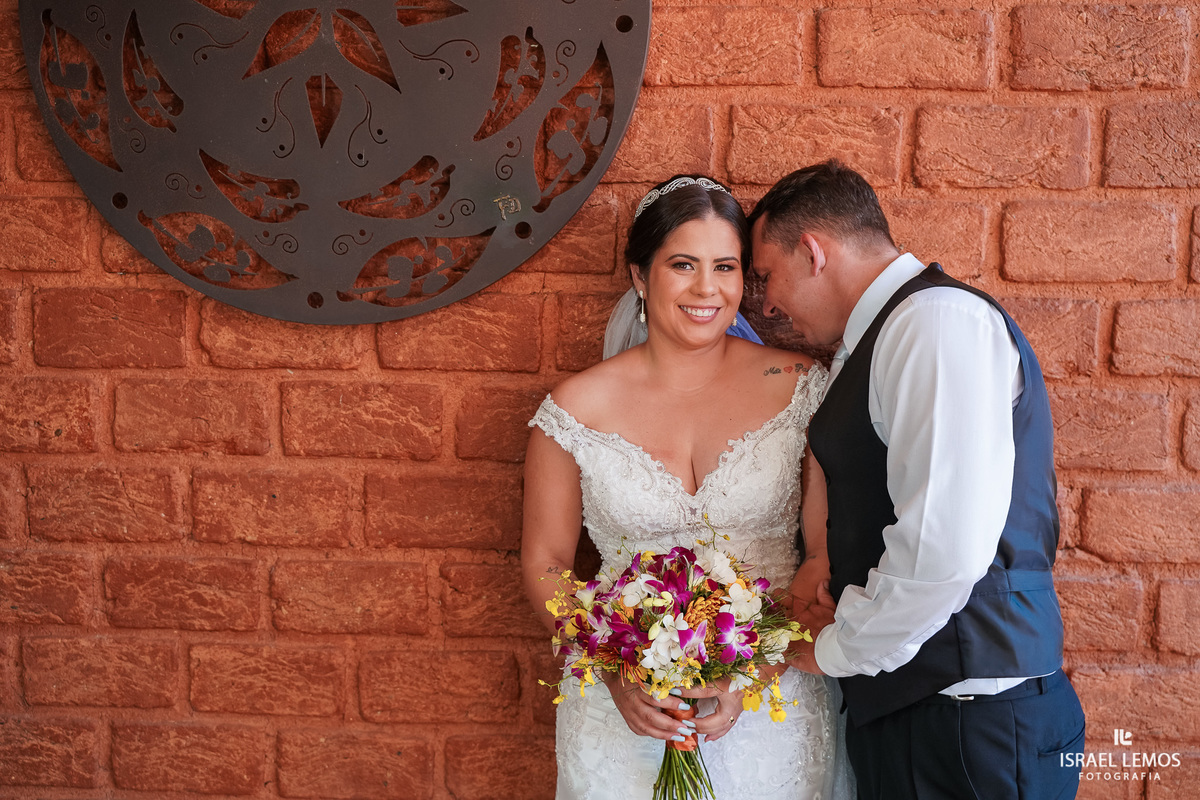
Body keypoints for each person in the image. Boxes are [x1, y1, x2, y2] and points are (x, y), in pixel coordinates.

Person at [748, 159, 1085, 800]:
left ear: (814, 251)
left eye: (766, 276)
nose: (764, 304)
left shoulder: (933, 323)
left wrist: (836, 647)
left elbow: (943, 547)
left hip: (966, 726)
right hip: (926, 715)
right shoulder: (889, 335)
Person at [521, 175, 852, 799]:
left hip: (772, 706)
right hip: (623, 711)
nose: (707, 288)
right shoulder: (574, 410)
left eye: (725, 266)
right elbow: (546, 562)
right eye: (682, 264)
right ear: (640, 277)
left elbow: (823, 552)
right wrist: (615, 667)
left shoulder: (803, 388)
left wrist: (755, 669)